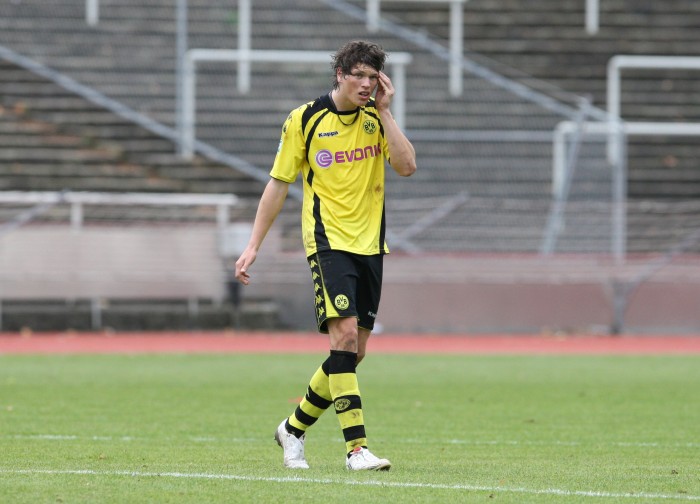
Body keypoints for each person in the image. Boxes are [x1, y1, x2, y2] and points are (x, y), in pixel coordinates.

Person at [234, 40, 416, 471]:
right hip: (328, 242)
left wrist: (386, 112)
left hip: (371, 245)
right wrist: (254, 244)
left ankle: (292, 429)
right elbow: (278, 183)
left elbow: (407, 166)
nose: (367, 85)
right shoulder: (305, 119)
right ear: (340, 75)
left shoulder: (376, 119)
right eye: (359, 76)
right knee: (345, 338)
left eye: (373, 78)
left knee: (352, 353)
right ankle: (357, 450)